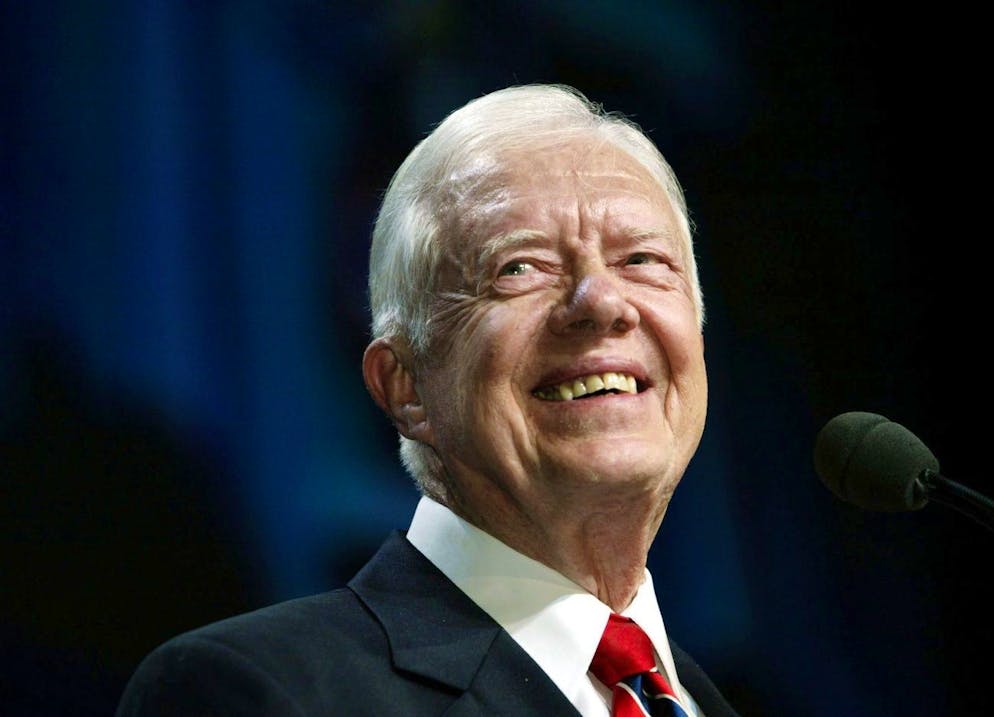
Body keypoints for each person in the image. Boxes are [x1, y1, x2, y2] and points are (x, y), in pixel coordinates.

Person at [116, 83, 741, 717]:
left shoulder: (708, 700)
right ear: (406, 386)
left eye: (642, 259)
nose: (602, 302)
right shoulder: (250, 691)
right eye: (519, 267)